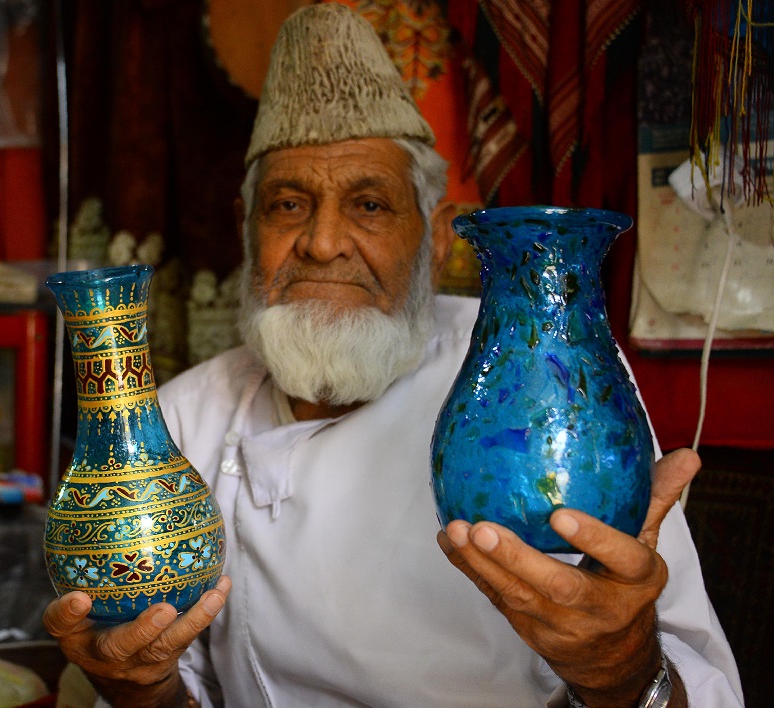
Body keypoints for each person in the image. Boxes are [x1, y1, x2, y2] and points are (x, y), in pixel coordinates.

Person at [44, 4, 744, 706]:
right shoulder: (174, 424)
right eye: (288, 204)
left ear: (438, 239)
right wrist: (137, 688)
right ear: (244, 229)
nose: (322, 242)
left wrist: (620, 667)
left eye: (370, 205)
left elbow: (705, 692)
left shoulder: (549, 376)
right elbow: (167, 687)